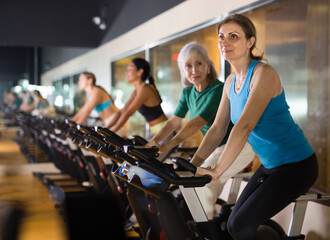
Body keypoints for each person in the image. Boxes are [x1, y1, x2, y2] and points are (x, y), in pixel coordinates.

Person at [193, 14, 318, 239]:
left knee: (241, 225)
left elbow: (244, 126)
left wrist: (217, 171)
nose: (225, 42)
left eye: (233, 37)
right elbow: (217, 129)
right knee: (233, 225)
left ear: (250, 42)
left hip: (297, 165)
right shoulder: (230, 82)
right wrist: (191, 165)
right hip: (270, 165)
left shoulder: (263, 73)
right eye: (222, 37)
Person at [146, 42, 254, 219]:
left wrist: (167, 146)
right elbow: (174, 121)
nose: (194, 70)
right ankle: (203, 227)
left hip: (238, 146)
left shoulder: (218, 90)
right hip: (217, 148)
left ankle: (206, 230)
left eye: (199, 64)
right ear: (182, 70)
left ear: (208, 66)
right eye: (188, 66)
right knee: (192, 184)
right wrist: (154, 142)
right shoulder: (188, 92)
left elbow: (195, 124)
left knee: (202, 184)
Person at [106, 58, 168, 137]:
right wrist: (105, 129)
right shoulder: (136, 91)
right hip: (157, 131)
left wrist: (109, 133)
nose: (126, 72)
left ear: (140, 72)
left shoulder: (145, 89)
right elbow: (122, 112)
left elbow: (127, 114)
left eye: (130, 69)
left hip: (164, 132)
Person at [71, 72, 127, 136]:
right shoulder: (91, 94)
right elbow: (83, 110)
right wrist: (71, 122)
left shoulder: (97, 91)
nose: (78, 82)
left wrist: (75, 126)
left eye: (81, 79)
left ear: (90, 80)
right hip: (109, 122)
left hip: (117, 122)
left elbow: (87, 111)